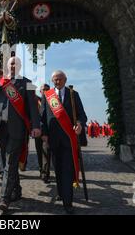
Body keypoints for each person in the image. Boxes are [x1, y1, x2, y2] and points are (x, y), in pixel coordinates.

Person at [0, 56, 41, 212]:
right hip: (0, 127)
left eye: (15, 64)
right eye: (11, 64)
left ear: (20, 66)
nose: (13, 66)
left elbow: (33, 107)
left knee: (10, 162)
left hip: (17, 128)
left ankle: (4, 198)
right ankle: (16, 189)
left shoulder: (27, 83)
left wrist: (36, 126)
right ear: (7, 66)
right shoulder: (1, 82)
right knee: (5, 161)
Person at [40, 70, 87, 214]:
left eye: (60, 79)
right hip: (53, 140)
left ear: (65, 80)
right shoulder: (47, 96)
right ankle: (61, 192)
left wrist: (79, 123)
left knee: (67, 169)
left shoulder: (73, 95)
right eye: (54, 79)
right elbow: (42, 118)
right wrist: (44, 134)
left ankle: (68, 202)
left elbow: (82, 115)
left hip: (68, 139)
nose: (57, 81)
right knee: (58, 169)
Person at [35, 83, 51, 183]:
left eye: (46, 89)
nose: (44, 91)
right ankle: (41, 170)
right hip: (37, 131)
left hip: (47, 132)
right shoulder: (35, 101)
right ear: (40, 91)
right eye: (43, 89)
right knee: (39, 152)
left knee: (46, 152)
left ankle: (45, 174)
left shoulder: (52, 101)